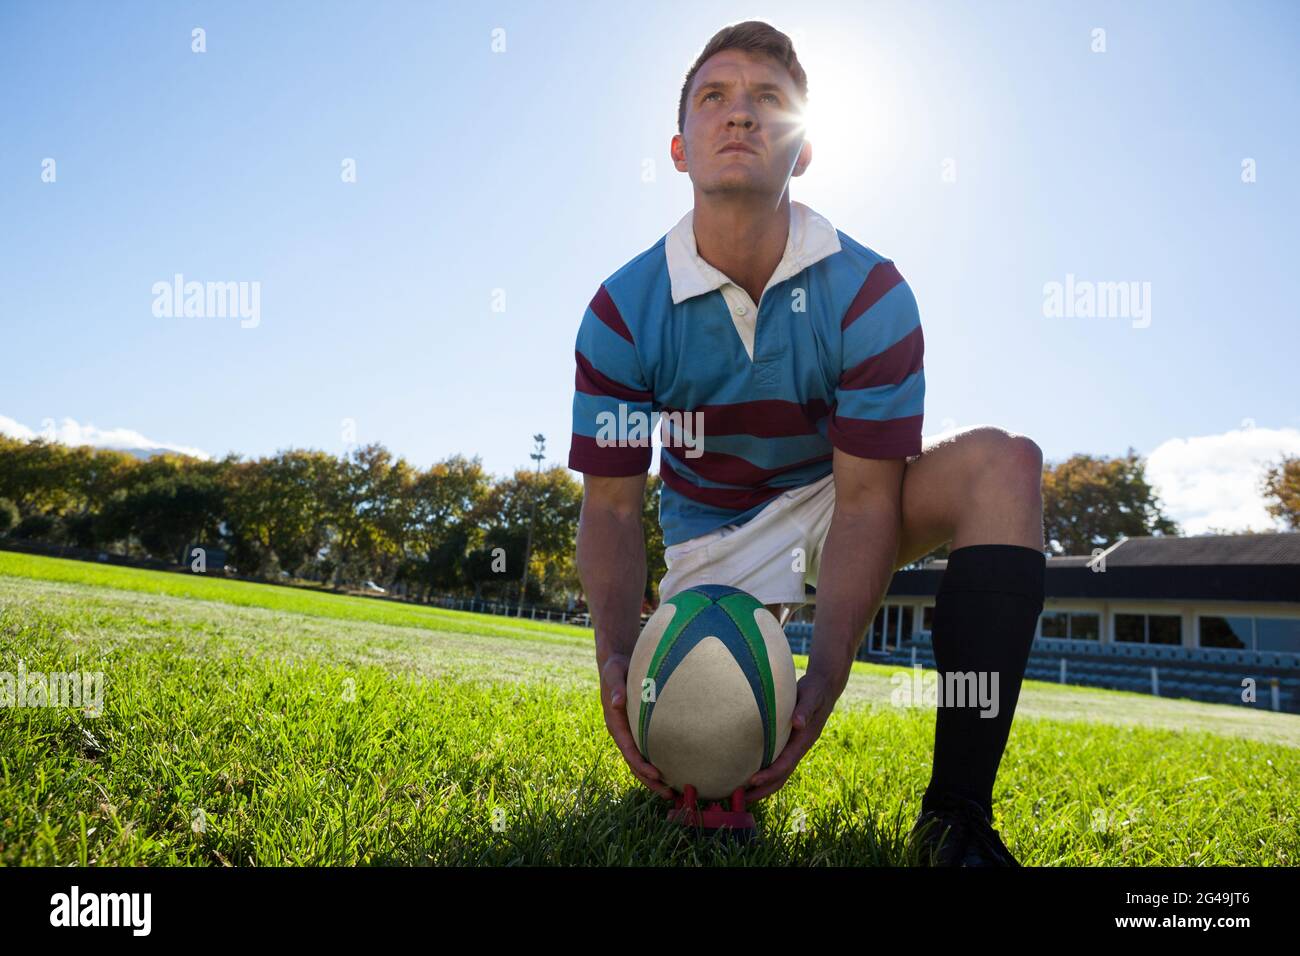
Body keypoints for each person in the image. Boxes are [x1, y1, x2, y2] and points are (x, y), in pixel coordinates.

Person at [569, 20, 1045, 866]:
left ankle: (958, 819)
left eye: (768, 101)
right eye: (715, 97)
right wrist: (614, 660)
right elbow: (610, 508)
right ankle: (700, 762)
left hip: (837, 496)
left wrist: (825, 677)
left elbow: (866, 502)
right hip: (711, 532)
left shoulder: (870, 292)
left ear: (806, 148)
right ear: (679, 149)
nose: (741, 115)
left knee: (1005, 466)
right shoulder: (620, 311)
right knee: (704, 769)